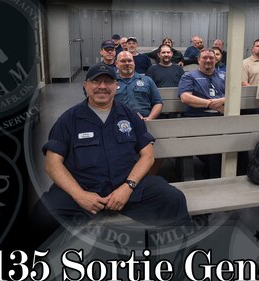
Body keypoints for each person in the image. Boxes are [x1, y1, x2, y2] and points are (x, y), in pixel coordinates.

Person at [38, 63, 190, 227]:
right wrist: (80, 195)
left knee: (174, 199)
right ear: (86, 85)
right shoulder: (68, 120)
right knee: (43, 215)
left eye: (108, 81)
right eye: (96, 82)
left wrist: (128, 187)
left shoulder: (130, 116)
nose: (102, 86)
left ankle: (180, 250)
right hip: (83, 187)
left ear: (116, 86)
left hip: (127, 187)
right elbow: (52, 164)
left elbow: (147, 155)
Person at [178, 48, 227, 179]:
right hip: (198, 119)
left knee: (238, 144)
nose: (208, 60)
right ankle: (214, 180)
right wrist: (210, 104)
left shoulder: (224, 76)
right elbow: (185, 98)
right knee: (214, 152)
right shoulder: (189, 76)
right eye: (204, 58)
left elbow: (233, 94)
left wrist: (221, 101)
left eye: (211, 58)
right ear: (199, 60)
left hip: (221, 118)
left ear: (216, 60)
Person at [115, 50, 163, 120]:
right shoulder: (111, 83)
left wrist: (149, 118)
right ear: (116, 64)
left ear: (134, 63)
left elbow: (158, 103)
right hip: (118, 122)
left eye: (129, 61)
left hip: (145, 121)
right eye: (123, 61)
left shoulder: (147, 80)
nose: (127, 63)